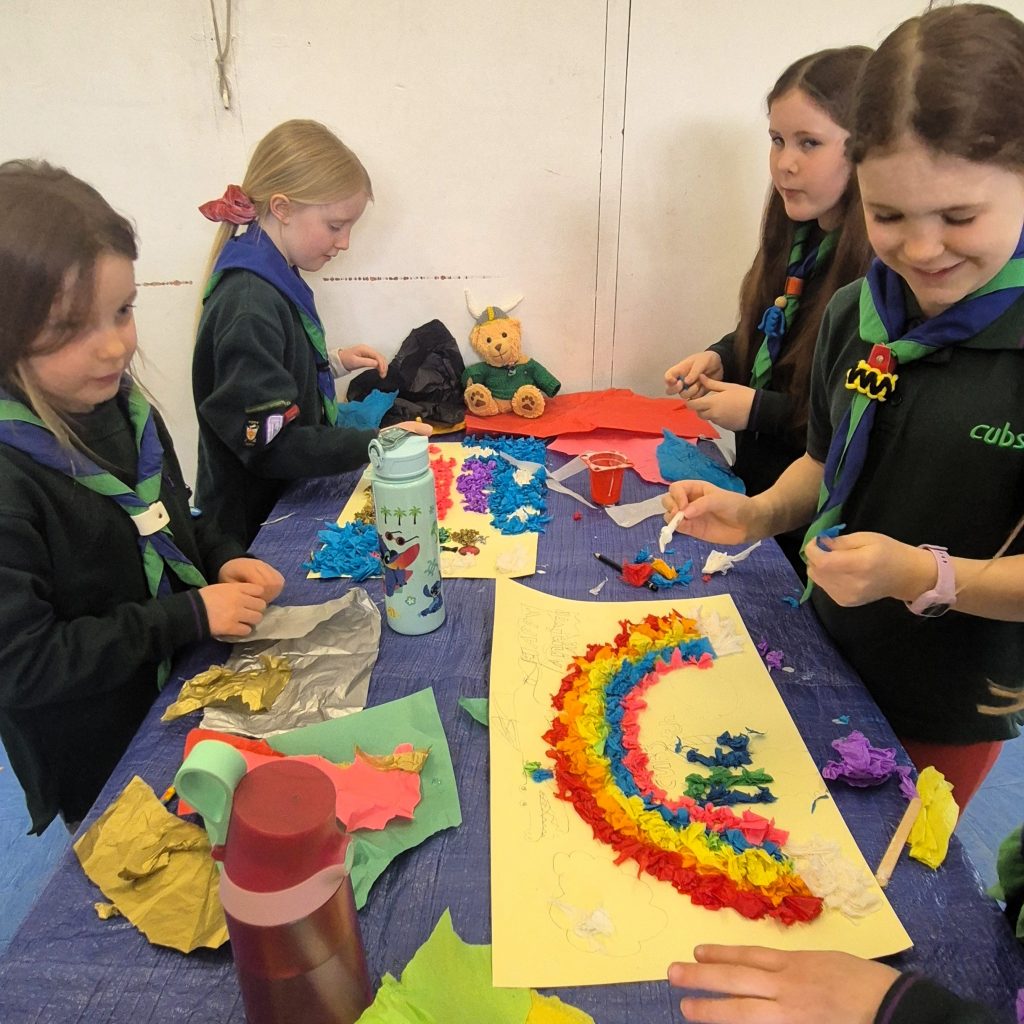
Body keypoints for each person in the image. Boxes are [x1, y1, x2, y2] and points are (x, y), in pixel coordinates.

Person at [663, 3, 1024, 810]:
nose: (921, 250)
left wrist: (922, 574)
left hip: (946, 698)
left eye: (960, 216)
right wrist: (758, 513)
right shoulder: (855, 313)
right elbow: (823, 464)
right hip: (825, 644)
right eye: (888, 215)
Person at [0, 161, 284, 835]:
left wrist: (220, 557)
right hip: (101, 753)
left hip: (183, 696)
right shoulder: (12, 480)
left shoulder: (127, 411)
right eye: (70, 327)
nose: (114, 347)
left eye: (123, 310)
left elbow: (170, 520)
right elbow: (23, 665)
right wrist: (188, 615)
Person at [663, 47, 874, 578]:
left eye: (809, 143)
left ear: (866, 149)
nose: (785, 163)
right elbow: (771, 332)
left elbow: (850, 425)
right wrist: (721, 357)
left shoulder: (875, 278)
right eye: (777, 140)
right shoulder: (800, 237)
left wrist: (758, 411)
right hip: (755, 504)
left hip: (813, 537)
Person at [193, 119, 430, 547]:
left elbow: (271, 372)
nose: (345, 242)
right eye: (336, 226)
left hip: (280, 498)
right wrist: (373, 443)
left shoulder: (271, 276)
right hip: (251, 528)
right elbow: (272, 444)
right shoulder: (248, 304)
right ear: (283, 208)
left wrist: (331, 362)